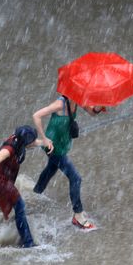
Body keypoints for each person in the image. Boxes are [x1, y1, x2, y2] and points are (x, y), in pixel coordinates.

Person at [32, 95, 105, 230]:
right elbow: (36, 115)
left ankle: (35, 194)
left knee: (51, 169)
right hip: (53, 147)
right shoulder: (59, 104)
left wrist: (102, 104)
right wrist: (44, 139)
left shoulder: (77, 101)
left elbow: (93, 112)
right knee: (75, 178)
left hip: (62, 145)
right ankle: (78, 216)